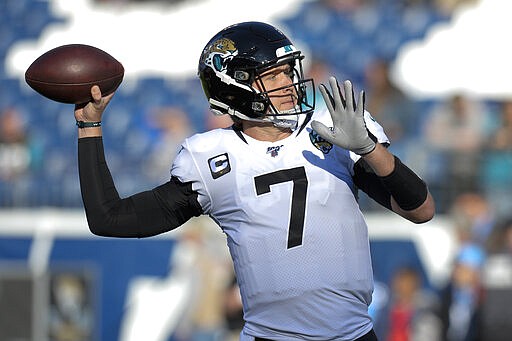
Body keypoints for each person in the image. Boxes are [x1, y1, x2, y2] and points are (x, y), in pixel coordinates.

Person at [73, 21, 435, 341]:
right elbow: (110, 218)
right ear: (235, 87)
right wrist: (90, 126)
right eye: (273, 74)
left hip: (352, 335)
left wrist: (370, 149)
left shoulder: (331, 132)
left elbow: (422, 209)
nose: (289, 82)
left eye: (287, 71)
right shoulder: (210, 158)